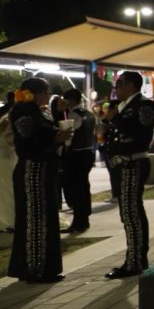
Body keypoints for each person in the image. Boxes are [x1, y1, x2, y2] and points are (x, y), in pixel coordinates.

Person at [6, 78, 72, 283]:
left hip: (43, 170)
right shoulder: (23, 112)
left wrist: (59, 116)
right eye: (45, 91)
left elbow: (48, 130)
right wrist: (54, 139)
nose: (47, 95)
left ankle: (42, 268)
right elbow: (29, 140)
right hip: (32, 171)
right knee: (35, 220)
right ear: (31, 93)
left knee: (45, 217)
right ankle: (36, 269)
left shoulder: (39, 111)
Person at [104, 70, 154, 278]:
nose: (115, 89)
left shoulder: (144, 105)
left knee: (132, 213)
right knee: (127, 212)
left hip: (133, 163)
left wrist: (116, 119)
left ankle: (135, 260)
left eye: (119, 84)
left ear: (130, 85)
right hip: (121, 164)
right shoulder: (122, 106)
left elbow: (140, 132)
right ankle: (135, 258)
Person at [59, 88, 96, 233]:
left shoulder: (73, 115)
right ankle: (84, 218)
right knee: (84, 186)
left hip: (75, 155)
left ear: (70, 100)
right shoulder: (90, 114)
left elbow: (68, 139)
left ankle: (79, 220)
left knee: (75, 188)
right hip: (88, 152)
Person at [0, 92, 17, 231]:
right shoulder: (11, 117)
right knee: (9, 188)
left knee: (6, 189)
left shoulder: (5, 116)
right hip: (9, 156)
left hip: (6, 156)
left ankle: (8, 219)